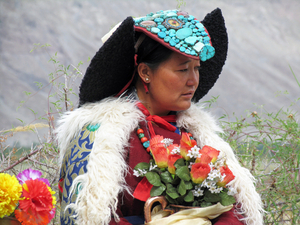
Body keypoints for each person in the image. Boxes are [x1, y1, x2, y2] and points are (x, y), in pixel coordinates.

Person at [56, 8, 264, 225]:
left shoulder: (199, 137)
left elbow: (234, 207)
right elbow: (86, 216)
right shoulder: (99, 137)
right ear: (145, 72)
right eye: (183, 70)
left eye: (197, 69)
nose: (193, 80)